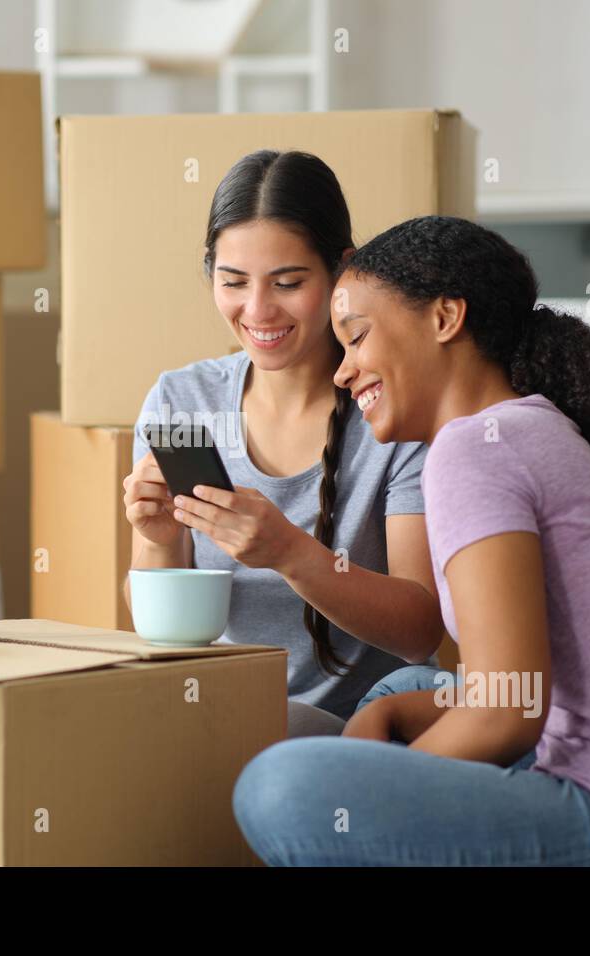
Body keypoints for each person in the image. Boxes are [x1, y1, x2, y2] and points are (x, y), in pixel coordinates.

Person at [232, 215, 590, 865]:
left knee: (279, 789)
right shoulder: (521, 429)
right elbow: (520, 691)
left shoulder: (474, 450)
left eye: (356, 338)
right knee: (399, 694)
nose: (343, 371)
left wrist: (395, 786)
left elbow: (508, 713)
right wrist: (394, 747)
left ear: (445, 318)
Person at [122, 151, 445, 734]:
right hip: (219, 713)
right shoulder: (181, 401)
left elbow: (421, 629)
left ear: (341, 272)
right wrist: (159, 539)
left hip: (363, 726)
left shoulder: (395, 409)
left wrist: (291, 553)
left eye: (289, 283)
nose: (259, 310)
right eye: (234, 282)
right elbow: (162, 639)